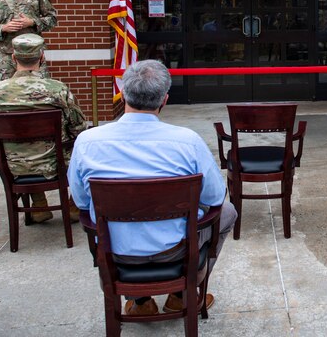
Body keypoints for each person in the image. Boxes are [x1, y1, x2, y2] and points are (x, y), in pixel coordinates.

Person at [68, 59, 237, 317]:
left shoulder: (87, 142)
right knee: (228, 212)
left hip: (115, 251)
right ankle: (183, 293)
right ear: (165, 100)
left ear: (123, 93)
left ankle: (139, 302)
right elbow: (214, 197)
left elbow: (81, 202)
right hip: (176, 249)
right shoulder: (187, 142)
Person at [0, 34, 86, 223]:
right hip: (57, 164)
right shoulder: (57, 90)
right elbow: (78, 127)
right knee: (85, 148)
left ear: (13, 58)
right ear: (42, 57)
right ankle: (74, 206)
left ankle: (39, 205)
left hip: (14, 166)